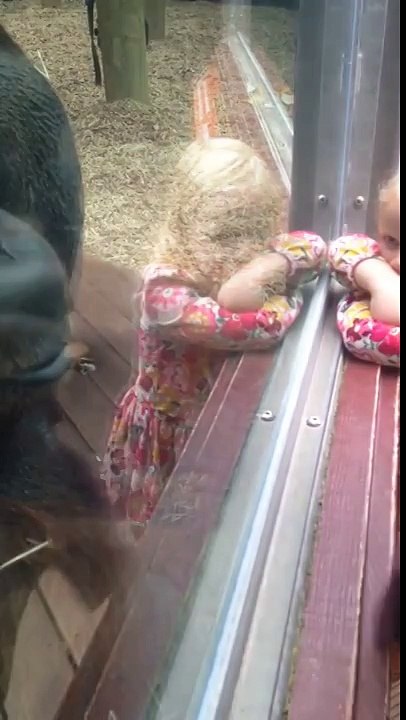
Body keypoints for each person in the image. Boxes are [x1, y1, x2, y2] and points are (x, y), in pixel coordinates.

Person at [101, 137, 326, 530]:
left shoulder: (247, 259)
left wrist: (272, 261)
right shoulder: (165, 293)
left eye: (251, 229)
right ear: (186, 224)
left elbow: (314, 245)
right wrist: (284, 294)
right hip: (171, 431)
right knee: (165, 524)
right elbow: (259, 328)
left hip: (216, 416)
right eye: (224, 235)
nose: (240, 247)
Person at [328, 167, 400, 366]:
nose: (398, 261)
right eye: (392, 241)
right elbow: (342, 247)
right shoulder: (377, 260)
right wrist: (379, 278)